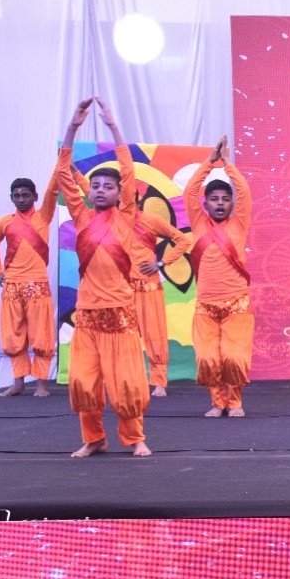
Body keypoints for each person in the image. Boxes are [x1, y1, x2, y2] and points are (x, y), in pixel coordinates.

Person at [55, 98, 151, 457]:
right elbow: (64, 174)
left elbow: (128, 170)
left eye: (107, 186)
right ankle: (93, 438)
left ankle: (135, 438)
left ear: (120, 193)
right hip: (87, 319)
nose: (99, 189)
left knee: (126, 385)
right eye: (94, 185)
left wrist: (113, 127)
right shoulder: (81, 217)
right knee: (82, 384)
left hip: (120, 317)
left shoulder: (126, 218)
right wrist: (72, 127)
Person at [76, 151, 193, 399]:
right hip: (122, 288)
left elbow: (182, 240)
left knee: (154, 334)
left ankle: (159, 381)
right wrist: (73, 171)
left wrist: (161, 263)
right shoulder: (114, 221)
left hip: (148, 286)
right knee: (120, 335)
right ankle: (118, 378)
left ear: (132, 198)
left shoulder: (150, 220)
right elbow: (90, 190)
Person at [0, 119, 70, 397]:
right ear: (11, 198)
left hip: (37, 286)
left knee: (41, 335)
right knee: (13, 334)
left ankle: (42, 383)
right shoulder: (5, 222)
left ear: (34, 196)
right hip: (12, 286)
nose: (21, 199)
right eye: (16, 195)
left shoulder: (43, 215)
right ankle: (19, 382)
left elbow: (53, 188)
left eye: (25, 195)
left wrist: (62, 161)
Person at [184, 136, 254, 417]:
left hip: (237, 305)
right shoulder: (199, 224)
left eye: (225, 199)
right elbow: (190, 192)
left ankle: (235, 402)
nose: (221, 203)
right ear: (206, 204)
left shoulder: (238, 224)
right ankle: (217, 402)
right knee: (207, 359)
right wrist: (210, 161)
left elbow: (244, 192)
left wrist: (227, 163)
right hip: (205, 307)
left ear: (232, 204)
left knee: (234, 358)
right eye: (214, 199)